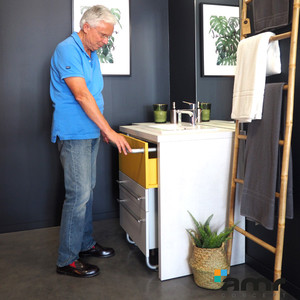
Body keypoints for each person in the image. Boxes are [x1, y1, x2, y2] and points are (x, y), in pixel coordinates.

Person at [50, 5, 131, 278]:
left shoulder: (91, 52)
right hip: (73, 133)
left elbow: (94, 95)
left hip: (90, 132)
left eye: (108, 36)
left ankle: (84, 244)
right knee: (78, 195)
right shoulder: (67, 49)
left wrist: (101, 130)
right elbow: (82, 96)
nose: (105, 41)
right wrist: (110, 131)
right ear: (87, 27)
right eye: (103, 35)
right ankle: (67, 260)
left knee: (88, 191)